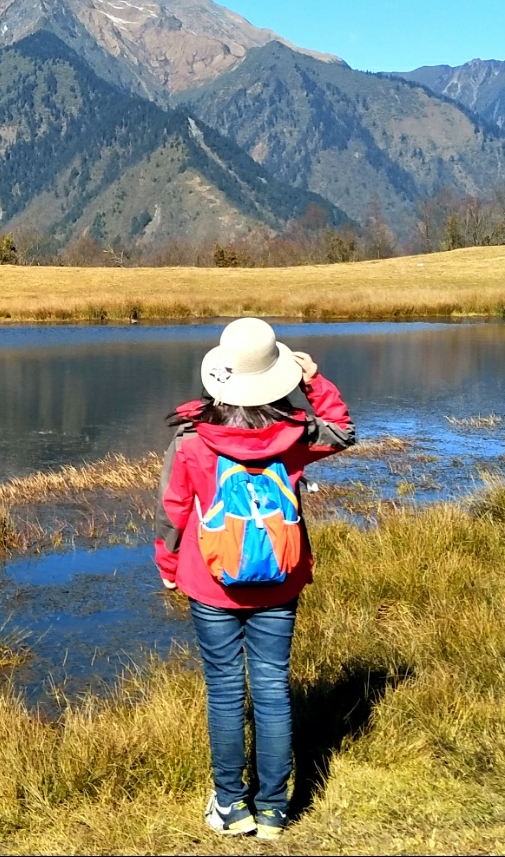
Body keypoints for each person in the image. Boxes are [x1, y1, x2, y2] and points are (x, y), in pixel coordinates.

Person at [154, 317, 355, 839]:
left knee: (224, 692)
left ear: (221, 376)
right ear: (276, 376)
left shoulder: (193, 440)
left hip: (210, 583)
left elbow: (173, 513)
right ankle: (272, 811)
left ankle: (230, 807)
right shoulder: (293, 435)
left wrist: (169, 569)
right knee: (271, 688)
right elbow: (343, 429)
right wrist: (314, 380)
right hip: (280, 583)